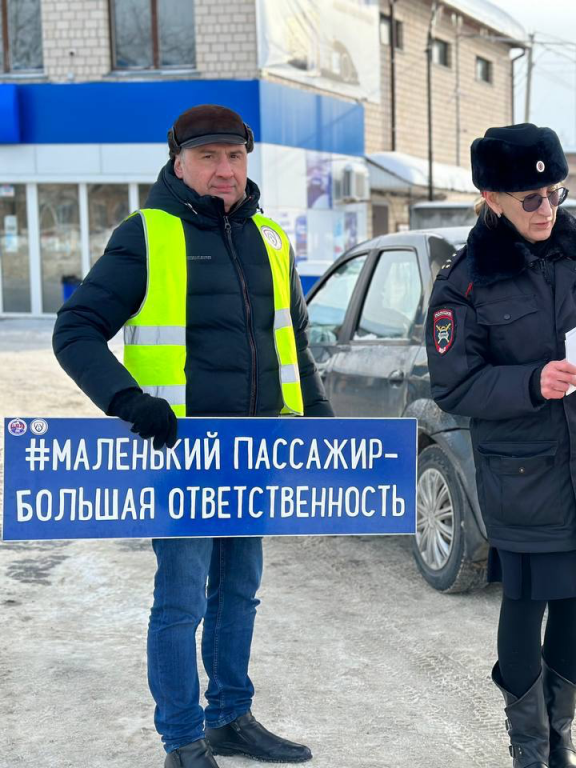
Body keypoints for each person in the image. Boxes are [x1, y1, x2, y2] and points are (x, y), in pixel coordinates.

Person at [52, 104, 333, 768]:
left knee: (239, 592)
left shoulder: (271, 239)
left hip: (254, 451)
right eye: (208, 157)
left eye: (234, 156)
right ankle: (182, 739)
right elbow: (75, 330)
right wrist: (128, 401)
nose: (224, 170)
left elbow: (294, 342)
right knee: (181, 601)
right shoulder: (147, 234)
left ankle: (230, 717)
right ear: (179, 163)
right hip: (180, 454)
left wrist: (322, 420)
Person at [425, 123, 576, 768]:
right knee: (524, 606)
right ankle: (528, 746)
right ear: (491, 198)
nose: (547, 208)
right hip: (523, 472)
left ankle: (561, 741)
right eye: (531, 198)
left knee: (573, 601)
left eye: (555, 193)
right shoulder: (465, 281)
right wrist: (529, 382)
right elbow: (453, 385)